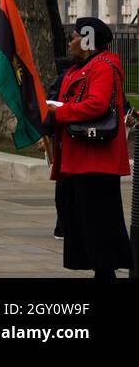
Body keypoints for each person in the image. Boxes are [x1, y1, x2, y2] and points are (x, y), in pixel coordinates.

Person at [40, 18, 133, 278]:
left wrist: (59, 113)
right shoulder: (78, 69)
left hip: (95, 161)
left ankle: (105, 274)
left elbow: (96, 105)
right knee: (83, 223)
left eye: (74, 36)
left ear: (88, 40)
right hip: (78, 159)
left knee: (98, 224)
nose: (70, 42)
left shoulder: (102, 67)